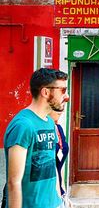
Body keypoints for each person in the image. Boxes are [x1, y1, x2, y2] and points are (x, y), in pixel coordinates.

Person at [4, 68, 69, 208]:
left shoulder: (50, 122)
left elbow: (53, 167)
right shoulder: (23, 126)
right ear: (46, 92)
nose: (67, 96)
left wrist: (61, 198)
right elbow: (13, 182)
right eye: (63, 90)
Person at [50, 111, 69, 197]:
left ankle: (61, 191)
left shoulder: (59, 127)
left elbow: (63, 141)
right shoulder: (48, 129)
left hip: (60, 158)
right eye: (56, 110)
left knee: (58, 172)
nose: (60, 112)